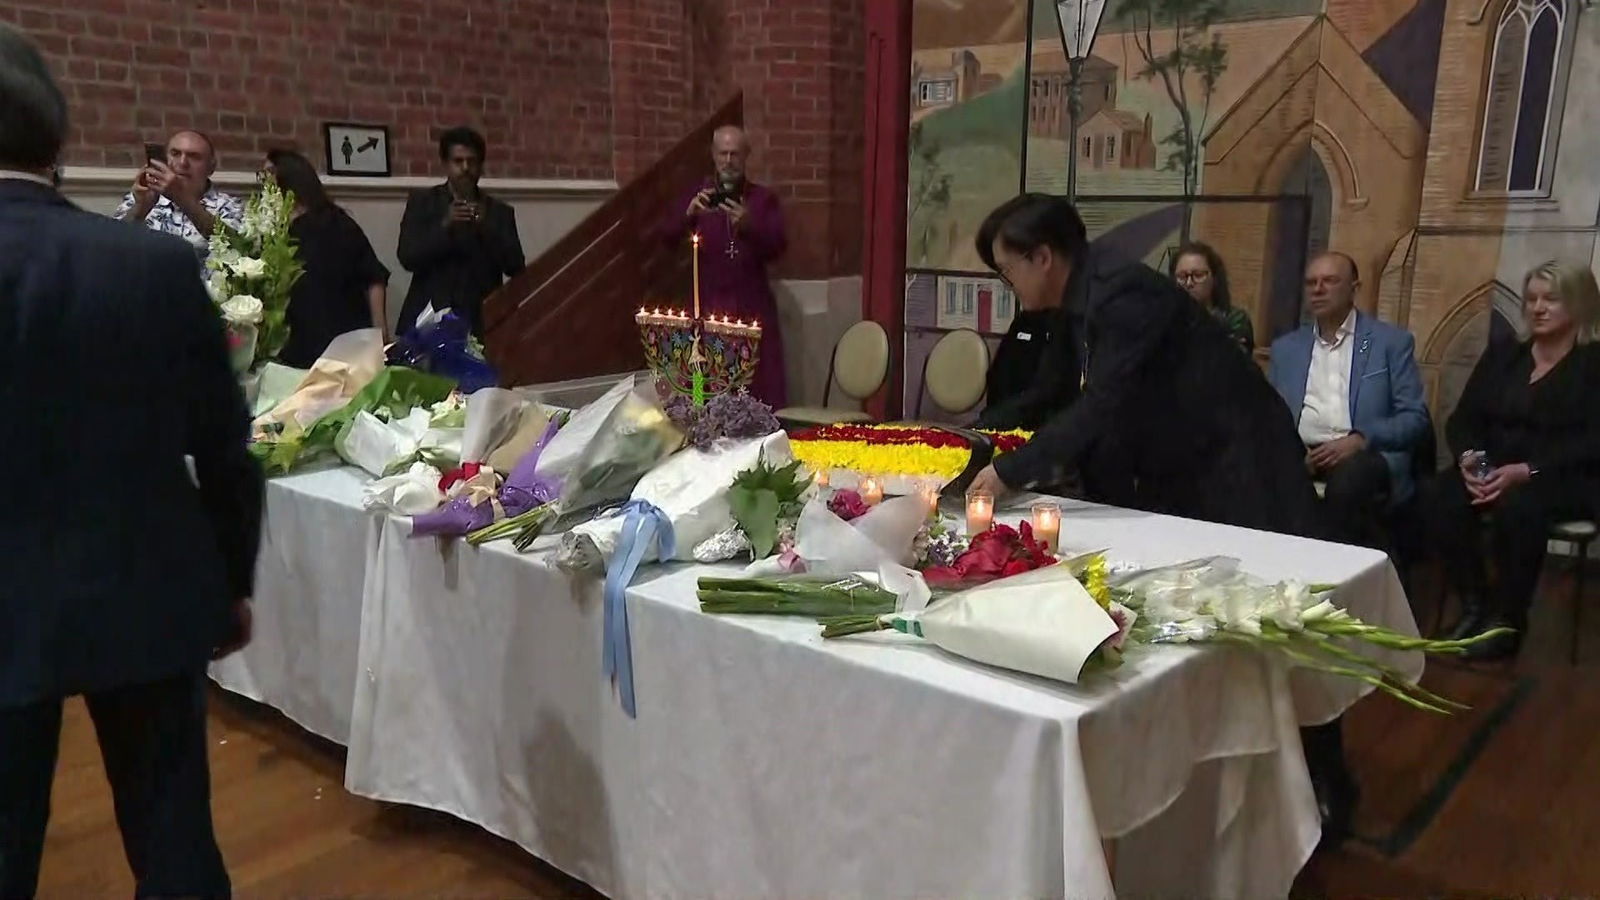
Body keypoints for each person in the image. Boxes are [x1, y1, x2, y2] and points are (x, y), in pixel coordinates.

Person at [0, 25, 262, 897]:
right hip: (149, 588)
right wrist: (232, 580)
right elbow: (226, 446)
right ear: (59, 138)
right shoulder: (147, 262)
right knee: (176, 845)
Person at [969, 194, 1321, 537]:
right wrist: (973, 437)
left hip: (1242, 456)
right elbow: (1048, 390)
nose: (1008, 284)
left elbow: (1101, 403)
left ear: (1042, 257)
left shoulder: (1122, 292)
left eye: (1006, 271)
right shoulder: (1074, 300)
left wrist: (1010, 471)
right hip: (1180, 459)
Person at [1427, 260, 1600, 661]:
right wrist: (1472, 460)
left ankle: (1507, 620)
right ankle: (1475, 603)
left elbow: (1592, 443)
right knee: (1439, 496)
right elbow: (1464, 419)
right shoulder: (1505, 355)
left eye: (1550, 299)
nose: (1537, 307)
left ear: (1577, 304)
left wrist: (1527, 471)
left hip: (1562, 475)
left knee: (1520, 507)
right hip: (1494, 466)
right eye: (1531, 298)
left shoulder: (1593, 364)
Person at [1268, 252, 1429, 547]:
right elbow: (1270, 417)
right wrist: (1291, 450)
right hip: (1304, 455)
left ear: (1354, 288)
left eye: (1329, 281)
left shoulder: (1389, 343)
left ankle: (1333, 576)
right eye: (1311, 283)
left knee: (1348, 483)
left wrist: (1360, 439)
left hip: (1364, 454)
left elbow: (1414, 419)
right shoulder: (1286, 349)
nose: (1317, 289)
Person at [661, 125, 789, 407]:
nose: (729, 161)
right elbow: (666, 238)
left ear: (746, 157)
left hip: (751, 307)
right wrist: (688, 215)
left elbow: (779, 247)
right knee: (706, 388)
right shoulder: (698, 196)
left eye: (735, 154)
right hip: (709, 308)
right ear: (714, 156)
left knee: (756, 389)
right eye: (723, 154)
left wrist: (750, 225)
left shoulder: (763, 200)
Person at [264, 149, 391, 366]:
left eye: (267, 173)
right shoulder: (274, 230)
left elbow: (373, 276)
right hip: (296, 341)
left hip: (343, 336)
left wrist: (381, 332)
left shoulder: (336, 223)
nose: (263, 181)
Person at [395, 126, 525, 338]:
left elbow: (516, 266)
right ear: (446, 164)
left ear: (481, 166)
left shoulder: (499, 212)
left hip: (481, 321)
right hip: (430, 318)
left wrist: (485, 227)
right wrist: (445, 225)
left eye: (472, 161)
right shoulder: (423, 203)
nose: (465, 168)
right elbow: (407, 257)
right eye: (458, 161)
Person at [114, 129, 244, 262]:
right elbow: (111, 245)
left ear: (211, 167)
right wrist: (140, 208)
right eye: (175, 154)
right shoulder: (140, 197)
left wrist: (183, 199)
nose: (182, 163)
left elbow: (239, 248)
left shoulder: (229, 205)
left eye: (194, 157)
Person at [1171, 241, 1254, 353]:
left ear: (1214, 279)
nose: (1189, 283)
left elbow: (1234, 362)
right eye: (1182, 276)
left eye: (1198, 275)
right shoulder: (1165, 319)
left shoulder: (1234, 319)